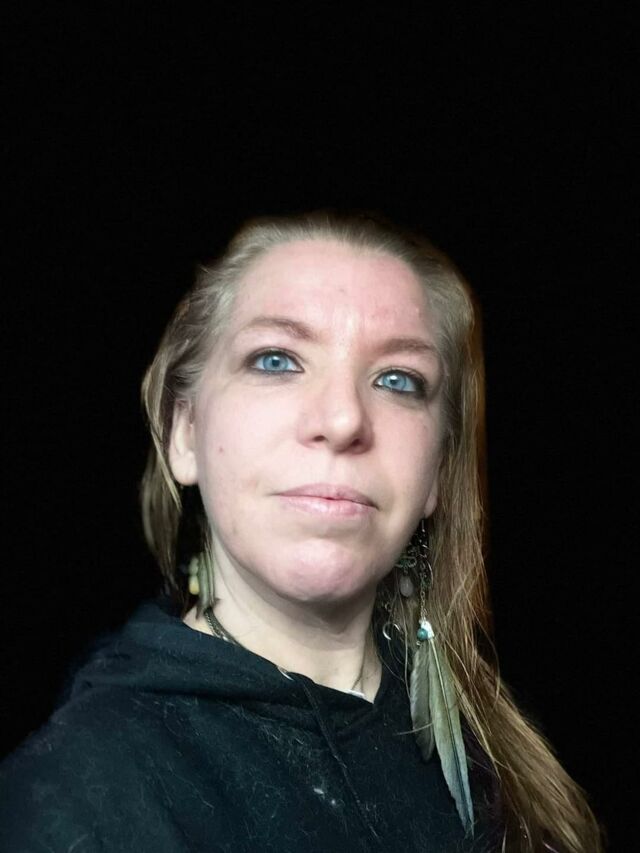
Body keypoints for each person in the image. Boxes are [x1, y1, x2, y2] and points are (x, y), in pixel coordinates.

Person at [0, 211, 603, 852]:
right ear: (185, 432)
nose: (343, 420)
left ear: (435, 471)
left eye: (397, 380)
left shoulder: (497, 752)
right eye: (276, 360)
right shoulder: (71, 803)